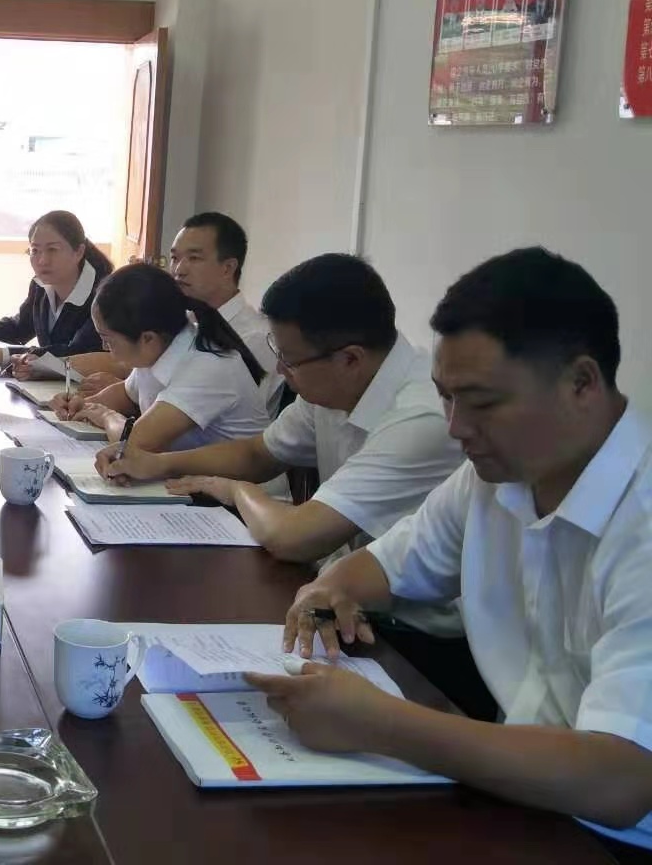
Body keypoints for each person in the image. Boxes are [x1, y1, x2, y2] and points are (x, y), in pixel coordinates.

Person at [257, 248, 652, 852]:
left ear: (582, 382)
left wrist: (378, 722)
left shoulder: (641, 522)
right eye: (446, 397)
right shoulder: (495, 476)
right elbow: (382, 566)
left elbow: (620, 781)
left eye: (482, 402)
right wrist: (326, 591)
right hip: (516, 792)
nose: (456, 427)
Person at [96, 254, 482, 713]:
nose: (280, 372)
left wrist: (235, 490)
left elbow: (295, 536)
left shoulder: (421, 417)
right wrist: (158, 465)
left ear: (349, 359)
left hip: (424, 647)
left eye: (289, 360)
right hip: (343, 601)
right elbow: (258, 454)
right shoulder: (336, 382)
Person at [49, 264, 269, 455]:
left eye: (108, 340)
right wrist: (82, 405)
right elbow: (127, 394)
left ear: (147, 339)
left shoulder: (207, 366)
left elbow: (133, 445)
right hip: (194, 481)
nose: (105, 347)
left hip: (239, 489)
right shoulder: (161, 343)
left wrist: (105, 415)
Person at [72, 213, 282, 408]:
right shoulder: (180, 320)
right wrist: (81, 404)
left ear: (227, 268)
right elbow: (132, 389)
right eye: (174, 258)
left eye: (194, 258)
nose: (179, 270)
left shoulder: (255, 339)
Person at [0, 210, 113, 373]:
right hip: (50, 384)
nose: (42, 260)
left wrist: (4, 356)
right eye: (35, 250)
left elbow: (77, 353)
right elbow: (19, 327)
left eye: (52, 250)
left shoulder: (105, 295)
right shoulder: (40, 286)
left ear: (78, 252)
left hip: (91, 390)